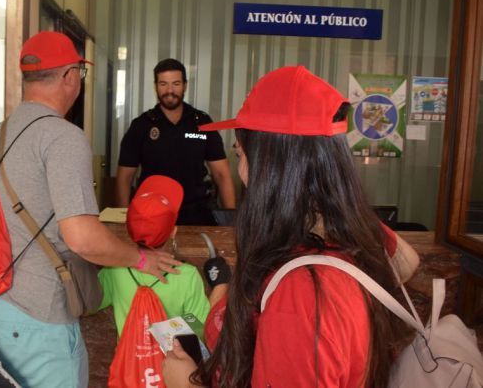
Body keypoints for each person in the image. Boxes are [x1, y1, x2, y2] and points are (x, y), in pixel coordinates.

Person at [162, 66, 419, 387]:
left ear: (273, 166)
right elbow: (406, 261)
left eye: (241, 153)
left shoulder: (300, 297)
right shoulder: (339, 236)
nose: (241, 170)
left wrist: (184, 384)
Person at [0, 31, 179, 388]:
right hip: (36, 316)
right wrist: (141, 259)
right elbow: (82, 239)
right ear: (70, 77)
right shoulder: (62, 137)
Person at [99, 175, 229, 338]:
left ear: (129, 230)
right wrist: (221, 285)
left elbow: (91, 304)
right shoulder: (186, 276)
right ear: (173, 231)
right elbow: (202, 329)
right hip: (172, 362)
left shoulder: (114, 270)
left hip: (129, 363)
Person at [116, 58, 236, 225]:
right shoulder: (141, 126)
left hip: (198, 215)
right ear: (155, 86)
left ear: (185, 85)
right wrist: (124, 220)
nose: (169, 90)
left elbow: (222, 175)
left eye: (176, 83)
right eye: (163, 84)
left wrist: (231, 221)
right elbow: (125, 178)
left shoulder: (202, 122)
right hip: (152, 216)